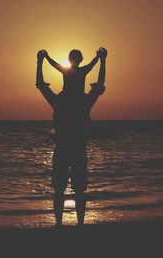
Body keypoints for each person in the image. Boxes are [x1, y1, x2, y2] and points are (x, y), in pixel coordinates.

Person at [36, 47, 107, 226]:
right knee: (78, 190)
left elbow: (40, 84)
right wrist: (102, 60)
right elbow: (99, 83)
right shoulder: (84, 102)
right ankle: (79, 224)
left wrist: (41, 61)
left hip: (63, 148)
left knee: (60, 189)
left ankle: (60, 224)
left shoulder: (59, 101)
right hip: (77, 149)